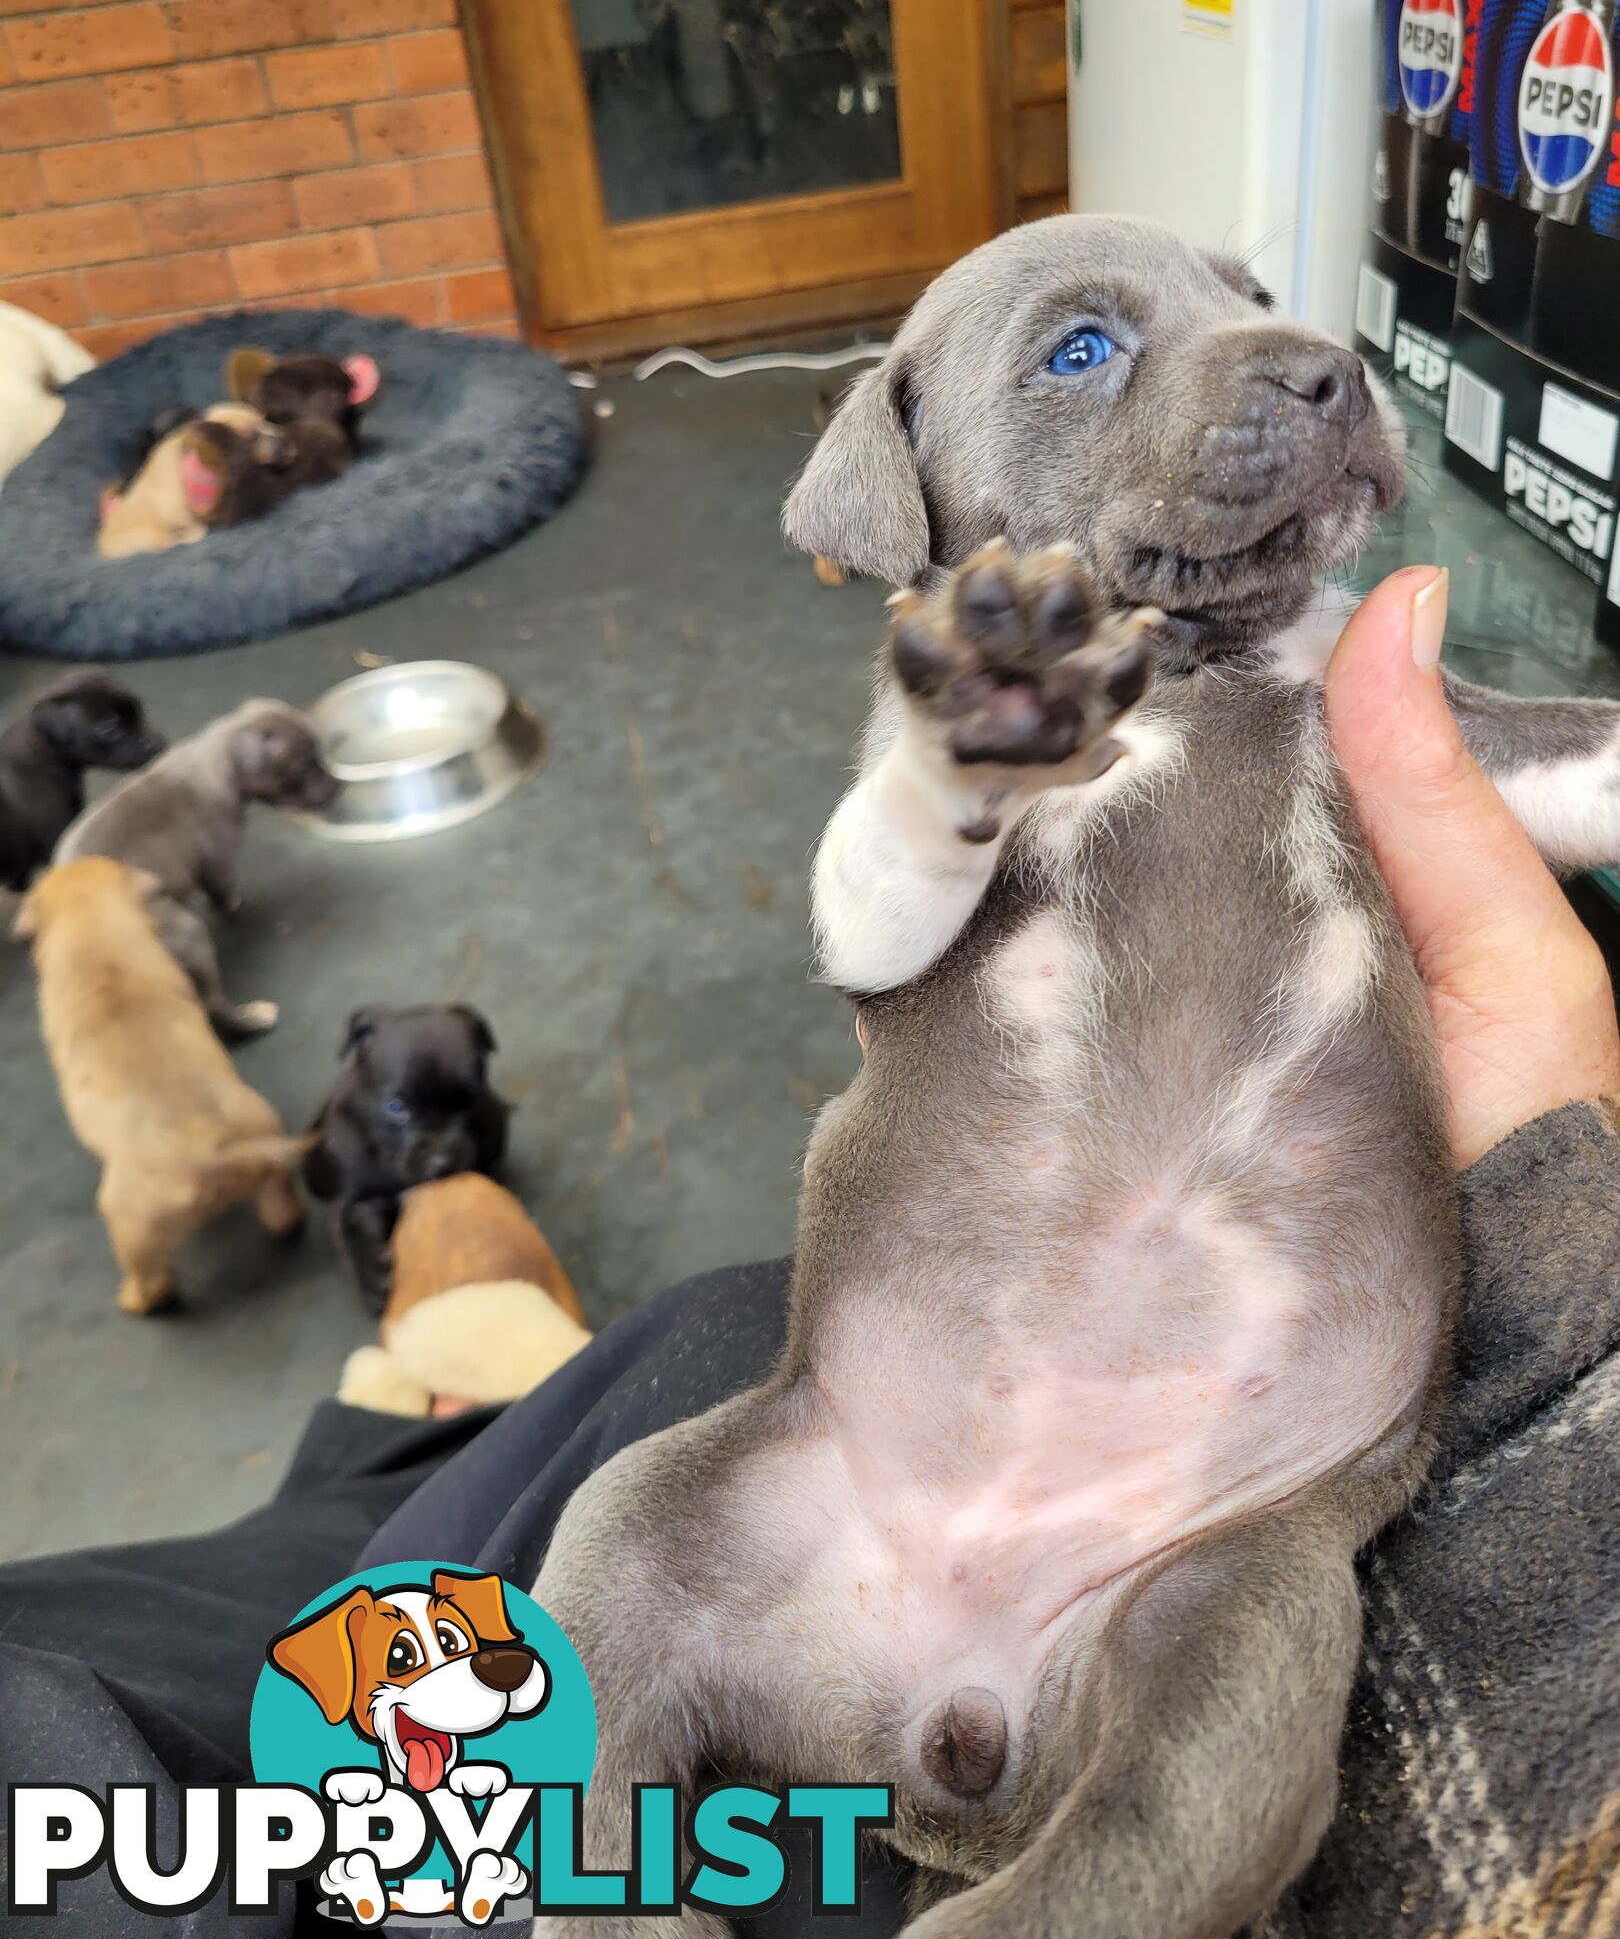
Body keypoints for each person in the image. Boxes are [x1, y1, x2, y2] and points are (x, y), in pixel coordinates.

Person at [3, 568, 1618, 1937]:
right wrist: (950, 782)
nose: (1285, 377)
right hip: (850, 1493)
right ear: (907, 490)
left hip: (1210, 1517)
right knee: (613, 1510)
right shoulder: (1009, 676)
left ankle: (427, 1296)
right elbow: (865, 930)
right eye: (1082, 357)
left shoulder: (1319, 650)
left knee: (538, 1481)